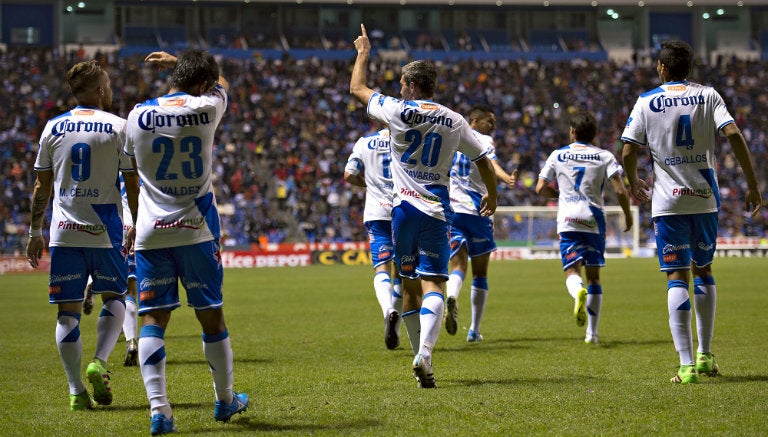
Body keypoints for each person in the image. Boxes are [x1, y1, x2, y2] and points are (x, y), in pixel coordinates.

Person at [350, 24, 498, 388]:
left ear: (413, 86)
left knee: (409, 283)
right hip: (436, 211)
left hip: (401, 212)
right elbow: (482, 158)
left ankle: (421, 359)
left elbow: (356, 89)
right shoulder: (454, 119)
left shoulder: (397, 111)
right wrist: (492, 195)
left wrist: (364, 53)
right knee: (434, 283)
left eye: (402, 83)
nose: (399, 88)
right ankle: (425, 356)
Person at [621, 40, 762, 384]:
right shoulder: (709, 95)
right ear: (690, 67)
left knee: (675, 276)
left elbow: (627, 150)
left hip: (667, 202)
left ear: (663, 68)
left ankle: (685, 365)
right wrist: (753, 184)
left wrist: (633, 181)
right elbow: (734, 134)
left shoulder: (646, 101)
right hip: (704, 198)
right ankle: (705, 355)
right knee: (704, 270)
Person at [124, 50, 248, 435]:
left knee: (153, 320)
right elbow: (221, 83)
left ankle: (160, 412)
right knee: (211, 316)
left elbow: (130, 173)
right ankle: (225, 400)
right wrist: (187, 65)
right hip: (196, 230)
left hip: (150, 230)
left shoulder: (137, 115)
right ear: (202, 85)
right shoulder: (209, 107)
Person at [26, 59, 140, 411]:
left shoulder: (53, 128)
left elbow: (40, 186)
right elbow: (132, 185)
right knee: (115, 297)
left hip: (63, 233)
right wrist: (137, 222)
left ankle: (76, 391)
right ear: (101, 91)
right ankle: (100, 361)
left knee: (67, 315)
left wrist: (34, 231)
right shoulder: (119, 127)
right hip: (105, 231)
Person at [535, 110, 633, 345]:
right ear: (594, 134)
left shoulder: (558, 155)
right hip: (593, 220)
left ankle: (577, 290)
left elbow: (540, 187)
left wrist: (556, 194)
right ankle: (592, 333)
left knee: (572, 271)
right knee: (595, 278)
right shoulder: (604, 156)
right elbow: (620, 190)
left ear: (572, 132)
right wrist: (628, 215)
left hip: (568, 219)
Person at [444, 105, 518, 343]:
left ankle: (452, 295)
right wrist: (504, 176)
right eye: (490, 121)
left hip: (453, 208)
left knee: (457, 264)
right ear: (474, 120)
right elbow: (489, 164)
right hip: (480, 209)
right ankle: (474, 330)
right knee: (480, 273)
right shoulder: (485, 140)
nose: (493, 126)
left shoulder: (452, 135)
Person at [343, 126, 406, 351]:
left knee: (381, 267)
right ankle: (396, 331)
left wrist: (367, 183)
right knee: (402, 272)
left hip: (376, 213)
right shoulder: (407, 139)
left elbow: (349, 174)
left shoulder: (364, 142)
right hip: (403, 210)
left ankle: (388, 310)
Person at [82, 174, 141, 367]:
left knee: (114, 291)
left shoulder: (106, 166)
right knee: (131, 289)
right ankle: (132, 341)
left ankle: (92, 282)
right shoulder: (136, 169)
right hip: (132, 224)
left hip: (110, 224)